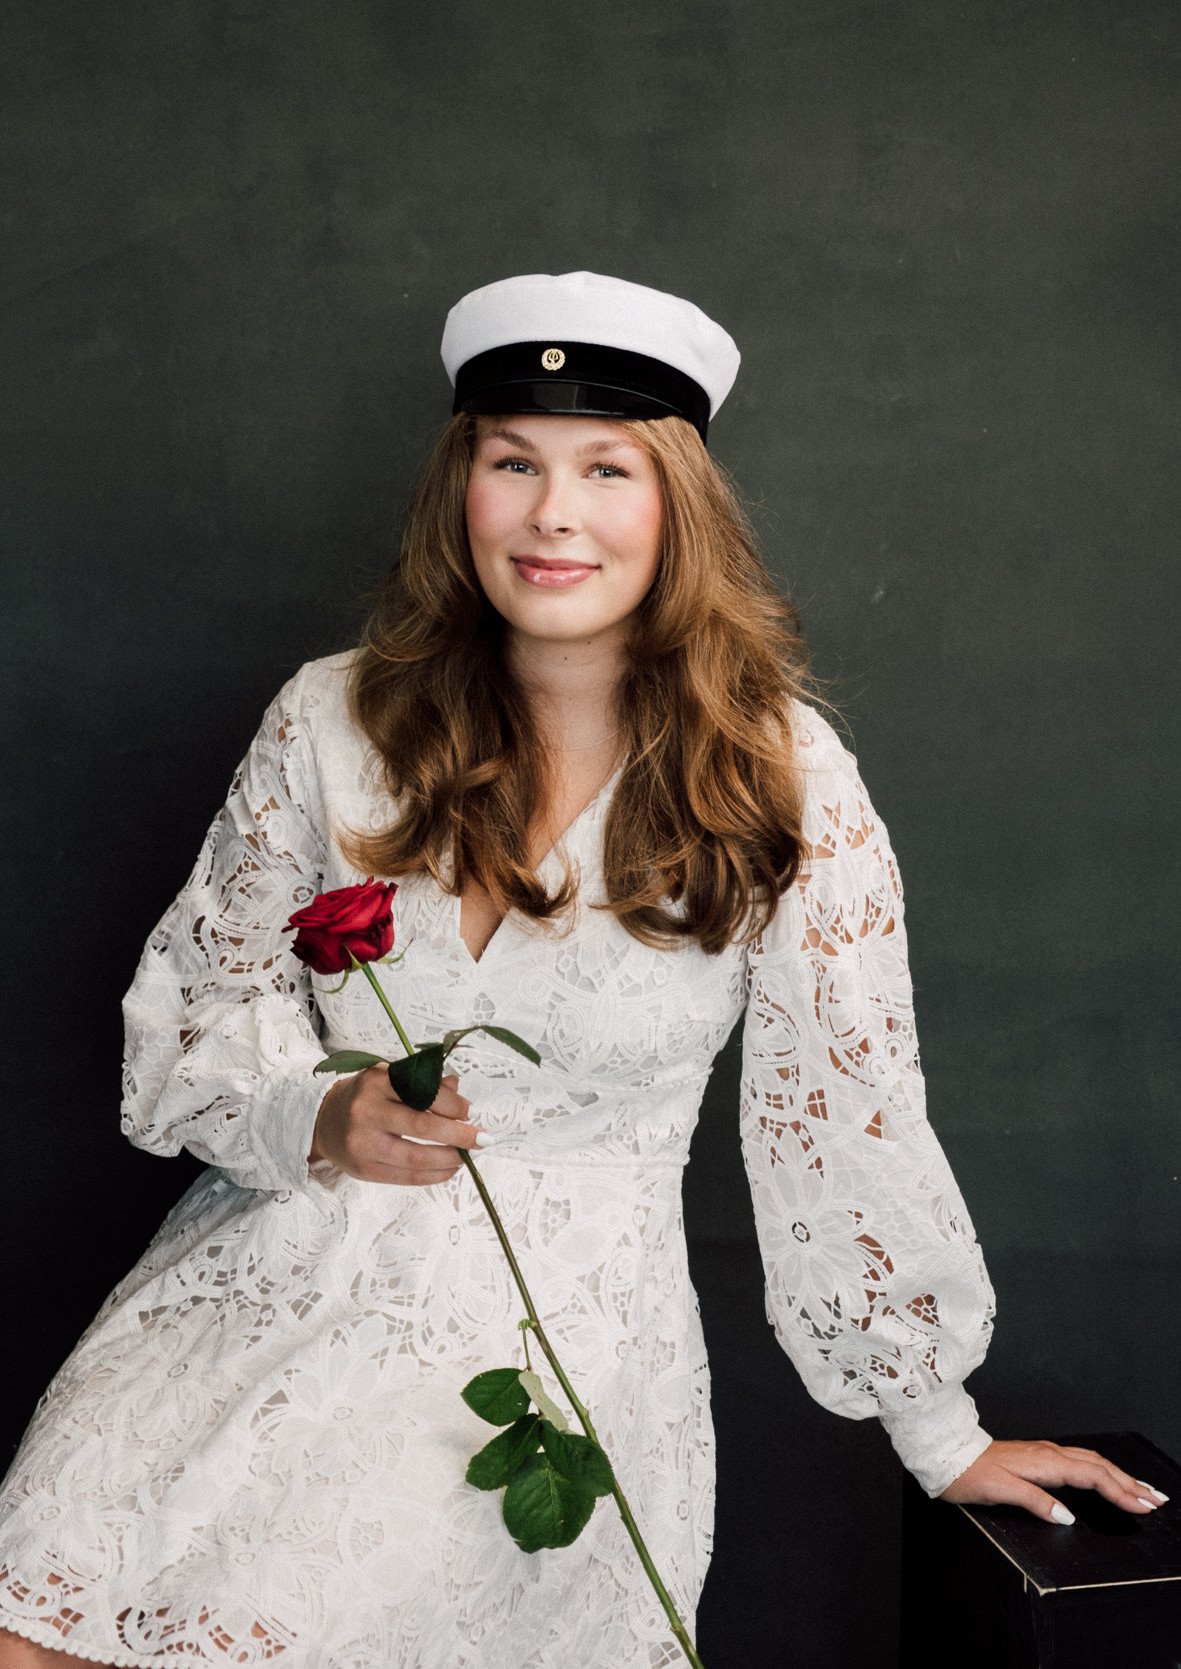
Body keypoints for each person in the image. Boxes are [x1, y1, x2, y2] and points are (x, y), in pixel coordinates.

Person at [0, 272, 1163, 1669]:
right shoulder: (332, 717)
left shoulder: (781, 773)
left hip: (540, 1366)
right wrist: (314, 1111)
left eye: (606, 469)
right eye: (514, 463)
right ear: (462, 490)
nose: (553, 513)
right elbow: (195, 1006)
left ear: (676, 506)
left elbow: (845, 1112)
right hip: (250, 1296)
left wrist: (936, 1429)